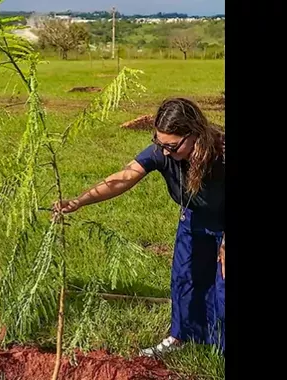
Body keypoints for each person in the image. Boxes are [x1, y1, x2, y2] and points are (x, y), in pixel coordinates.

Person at [53, 97, 225, 356]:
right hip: (193, 218)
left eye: (172, 146)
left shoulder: (221, 153)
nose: (165, 152)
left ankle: (220, 347)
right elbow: (122, 179)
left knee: (223, 284)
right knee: (184, 277)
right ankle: (180, 337)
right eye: (160, 143)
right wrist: (79, 201)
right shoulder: (163, 151)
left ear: (194, 134)